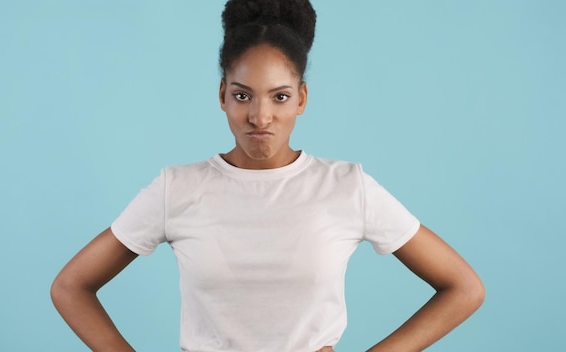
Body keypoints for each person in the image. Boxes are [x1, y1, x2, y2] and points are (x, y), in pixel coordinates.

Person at [50, 0, 485, 351]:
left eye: (279, 96)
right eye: (243, 95)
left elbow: (464, 288)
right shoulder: (177, 188)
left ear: (302, 99)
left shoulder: (346, 187)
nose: (261, 116)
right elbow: (70, 287)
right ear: (223, 95)